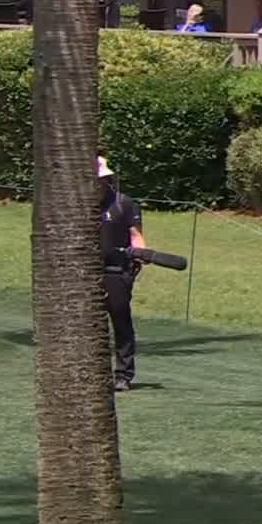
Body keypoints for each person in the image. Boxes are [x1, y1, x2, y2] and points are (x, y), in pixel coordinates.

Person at [98, 156, 146, 391]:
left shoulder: (123, 204)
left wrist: (138, 259)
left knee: (121, 321)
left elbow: (135, 235)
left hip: (117, 271)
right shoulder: (77, 206)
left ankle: (124, 374)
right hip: (85, 273)